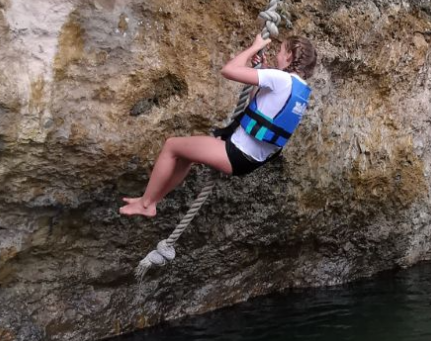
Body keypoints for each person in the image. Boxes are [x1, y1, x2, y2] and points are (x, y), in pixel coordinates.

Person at [119, 32, 318, 217]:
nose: (277, 54)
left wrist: (253, 47)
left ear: (290, 56)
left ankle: (145, 204)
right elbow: (258, 107)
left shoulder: (280, 78)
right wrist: (263, 72)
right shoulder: (301, 90)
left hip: (236, 152)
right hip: (249, 160)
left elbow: (228, 70)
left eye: (281, 50)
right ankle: (152, 201)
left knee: (171, 146)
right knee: (185, 156)